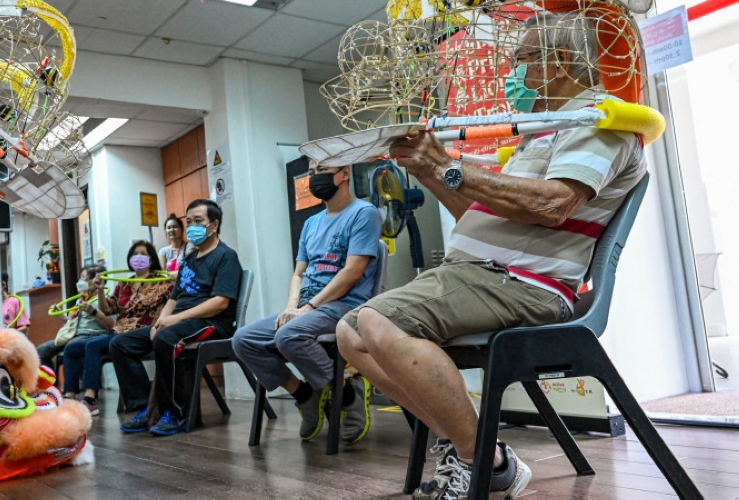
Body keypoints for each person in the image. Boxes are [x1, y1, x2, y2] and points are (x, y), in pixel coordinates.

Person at [335, 12, 646, 499]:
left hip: (522, 281)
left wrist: (453, 166)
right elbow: (477, 216)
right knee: (349, 333)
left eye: (522, 60)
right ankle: (468, 445)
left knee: (378, 322)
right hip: (481, 274)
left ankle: (481, 460)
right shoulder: (544, 130)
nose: (513, 74)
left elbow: (552, 203)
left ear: (559, 62)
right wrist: (432, 171)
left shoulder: (598, 121)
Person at [233, 159, 382, 444]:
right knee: (244, 339)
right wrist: (292, 306)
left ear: (344, 173)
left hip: (346, 305)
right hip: (308, 308)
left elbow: (352, 272)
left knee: (289, 335)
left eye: (321, 171)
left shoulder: (364, 213)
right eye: (311, 173)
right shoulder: (311, 223)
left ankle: (348, 396)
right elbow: (299, 273)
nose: (314, 178)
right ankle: (304, 395)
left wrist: (308, 308)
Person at [111, 199, 242, 436]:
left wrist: (174, 321)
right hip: (181, 322)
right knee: (120, 344)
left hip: (213, 323)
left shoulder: (226, 256)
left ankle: (175, 413)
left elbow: (220, 303)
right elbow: (174, 297)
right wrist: (161, 319)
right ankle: (148, 408)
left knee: (166, 338)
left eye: (198, 221)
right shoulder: (190, 259)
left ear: (214, 225)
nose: (192, 226)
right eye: (189, 221)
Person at [64, 241, 174, 416]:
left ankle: (91, 399)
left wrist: (174, 275)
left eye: (143, 253)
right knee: (71, 347)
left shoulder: (162, 282)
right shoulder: (123, 284)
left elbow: (175, 299)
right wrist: (100, 290)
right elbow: (108, 309)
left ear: (151, 258)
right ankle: (69, 396)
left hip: (141, 332)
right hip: (117, 332)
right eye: (134, 254)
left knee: (92, 345)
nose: (138, 257)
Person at [36, 265, 113, 410]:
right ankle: (50, 390)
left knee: (72, 347)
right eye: (80, 277)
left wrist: (92, 311)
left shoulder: (102, 299)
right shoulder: (80, 299)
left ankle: (73, 394)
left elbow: (108, 323)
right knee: (41, 350)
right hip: (72, 335)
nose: (80, 281)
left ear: (95, 280)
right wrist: (61, 315)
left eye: (84, 278)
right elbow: (73, 323)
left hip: (89, 336)